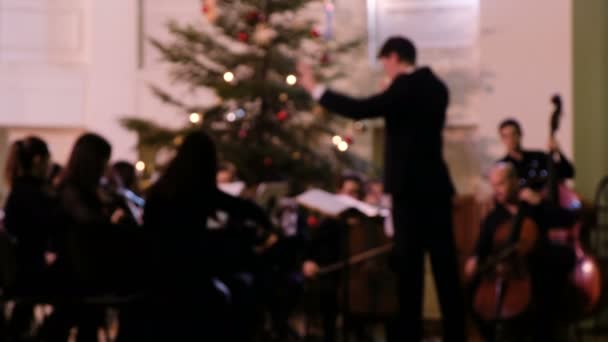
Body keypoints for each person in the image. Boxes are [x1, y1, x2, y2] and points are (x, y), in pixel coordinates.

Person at [298, 36, 466, 341]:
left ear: (394, 58)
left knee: (410, 274)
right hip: (437, 190)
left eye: (385, 63)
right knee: (445, 270)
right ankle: (457, 335)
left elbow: (360, 109)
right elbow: (408, 122)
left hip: (410, 195)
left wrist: (316, 89)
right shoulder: (437, 87)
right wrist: (390, 96)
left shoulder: (403, 87)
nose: (385, 70)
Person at [119, 131, 277, 341]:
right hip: (185, 275)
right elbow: (239, 208)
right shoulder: (199, 189)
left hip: (155, 272)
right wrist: (264, 224)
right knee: (240, 289)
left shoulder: (162, 189)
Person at [465, 162, 576, 341]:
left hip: (535, 271)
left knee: (547, 287)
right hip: (504, 272)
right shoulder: (494, 217)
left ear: (515, 181)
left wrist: (541, 202)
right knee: (470, 293)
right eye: (493, 185)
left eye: (500, 184)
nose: (497, 190)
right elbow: (481, 246)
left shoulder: (534, 208)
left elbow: (567, 220)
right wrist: (475, 257)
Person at [3, 136, 58, 341]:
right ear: (38, 160)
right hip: (31, 272)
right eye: (47, 160)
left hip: (21, 270)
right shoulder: (34, 194)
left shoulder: (18, 191)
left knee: (22, 316)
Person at [301, 174, 365, 342]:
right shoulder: (328, 221)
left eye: (356, 193)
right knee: (328, 296)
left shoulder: (364, 220)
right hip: (331, 272)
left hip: (357, 275)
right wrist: (309, 261)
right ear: (339, 193)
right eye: (348, 192)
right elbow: (312, 246)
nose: (352, 197)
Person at [498, 118, 575, 190]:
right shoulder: (501, 166)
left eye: (514, 134)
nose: (511, 139)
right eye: (506, 136)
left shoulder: (538, 157)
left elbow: (568, 172)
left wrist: (558, 151)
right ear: (502, 139)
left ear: (520, 134)